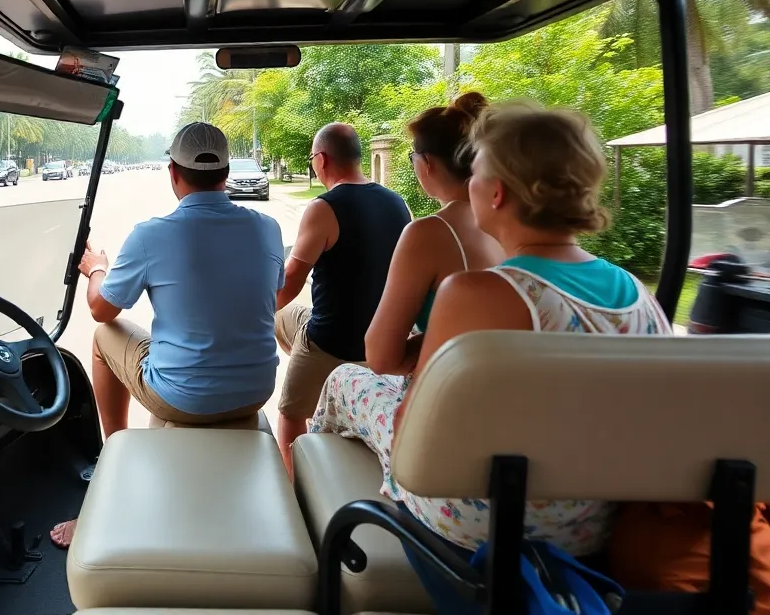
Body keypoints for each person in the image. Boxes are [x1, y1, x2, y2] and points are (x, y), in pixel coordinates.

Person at [308, 102, 672, 613]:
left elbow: (417, 434)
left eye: (475, 170)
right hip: (594, 525)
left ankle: (317, 523)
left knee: (348, 379)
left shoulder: (476, 294)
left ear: (496, 191)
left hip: (477, 529)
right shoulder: (638, 294)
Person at [50, 122, 284, 547]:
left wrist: (97, 269)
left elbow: (101, 308)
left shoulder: (151, 234)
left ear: (173, 173)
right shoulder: (267, 228)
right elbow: (273, 291)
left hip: (183, 398)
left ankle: (115, 454)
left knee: (103, 336)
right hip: (255, 390)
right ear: (226, 173)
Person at [273, 122, 410, 475]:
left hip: (332, 342)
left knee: (289, 414)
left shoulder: (323, 207)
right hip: (383, 342)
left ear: (321, 160)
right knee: (284, 319)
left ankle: (296, 487)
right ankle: (323, 388)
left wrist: (248, 313)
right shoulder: (397, 203)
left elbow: (289, 284)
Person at [363, 93, 504, 376]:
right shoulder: (511, 221)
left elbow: (381, 357)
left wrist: (434, 340)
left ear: (427, 163)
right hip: (509, 378)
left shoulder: (429, 232)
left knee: (340, 379)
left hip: (455, 384)